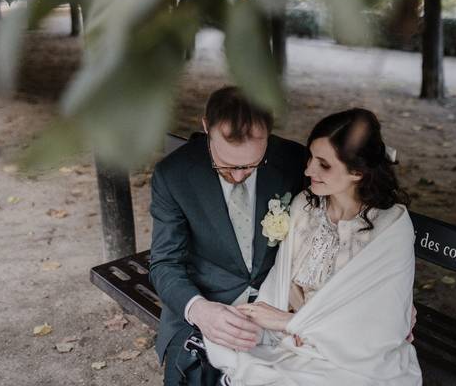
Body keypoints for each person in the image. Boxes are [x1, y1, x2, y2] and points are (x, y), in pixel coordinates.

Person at [206, 108, 423, 385]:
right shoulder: (305, 206)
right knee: (224, 334)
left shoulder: (391, 225)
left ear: (357, 171)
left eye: (324, 164)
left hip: (351, 354)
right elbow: (280, 282)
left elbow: (381, 324)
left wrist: (291, 323)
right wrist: (272, 318)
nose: (308, 170)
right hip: (291, 338)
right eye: (311, 158)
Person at [148, 86, 309, 385]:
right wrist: (199, 310)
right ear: (206, 126)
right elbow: (164, 263)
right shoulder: (173, 175)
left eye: (250, 166)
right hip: (208, 300)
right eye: (227, 163)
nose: (238, 176)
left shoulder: (294, 160)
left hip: (277, 305)